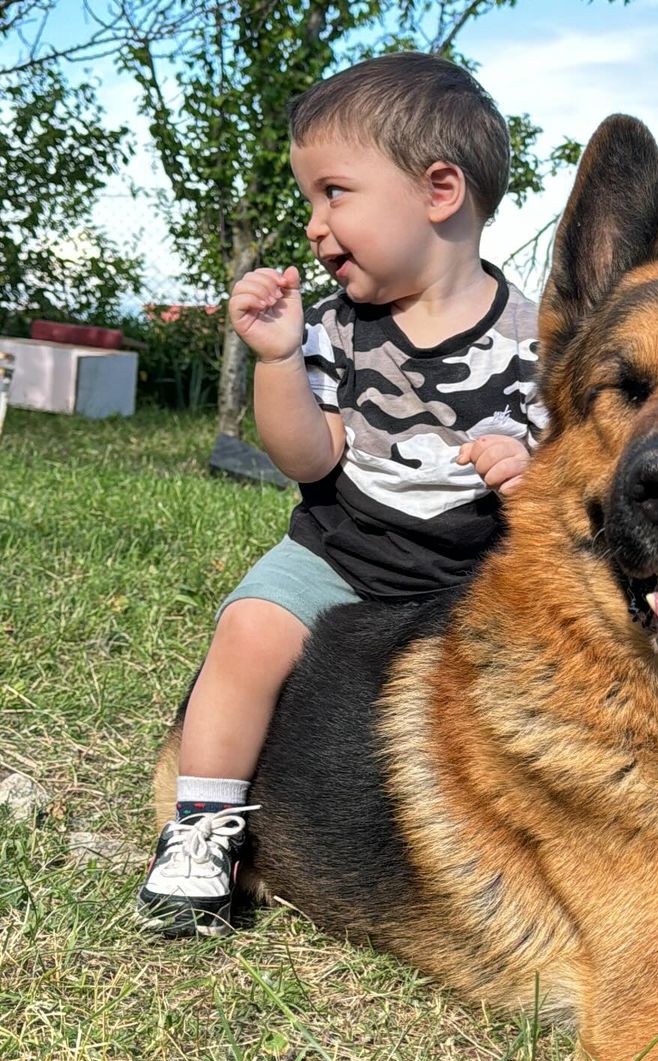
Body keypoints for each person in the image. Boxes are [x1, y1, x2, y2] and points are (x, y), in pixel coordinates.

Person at [136, 52, 545, 937]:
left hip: (467, 584)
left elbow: (568, 486)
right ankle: (201, 827)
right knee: (248, 628)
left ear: (440, 191)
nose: (316, 225)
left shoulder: (537, 341)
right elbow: (308, 456)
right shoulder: (332, 327)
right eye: (311, 199)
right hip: (340, 554)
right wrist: (279, 359)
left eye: (334, 192)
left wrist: (529, 470)